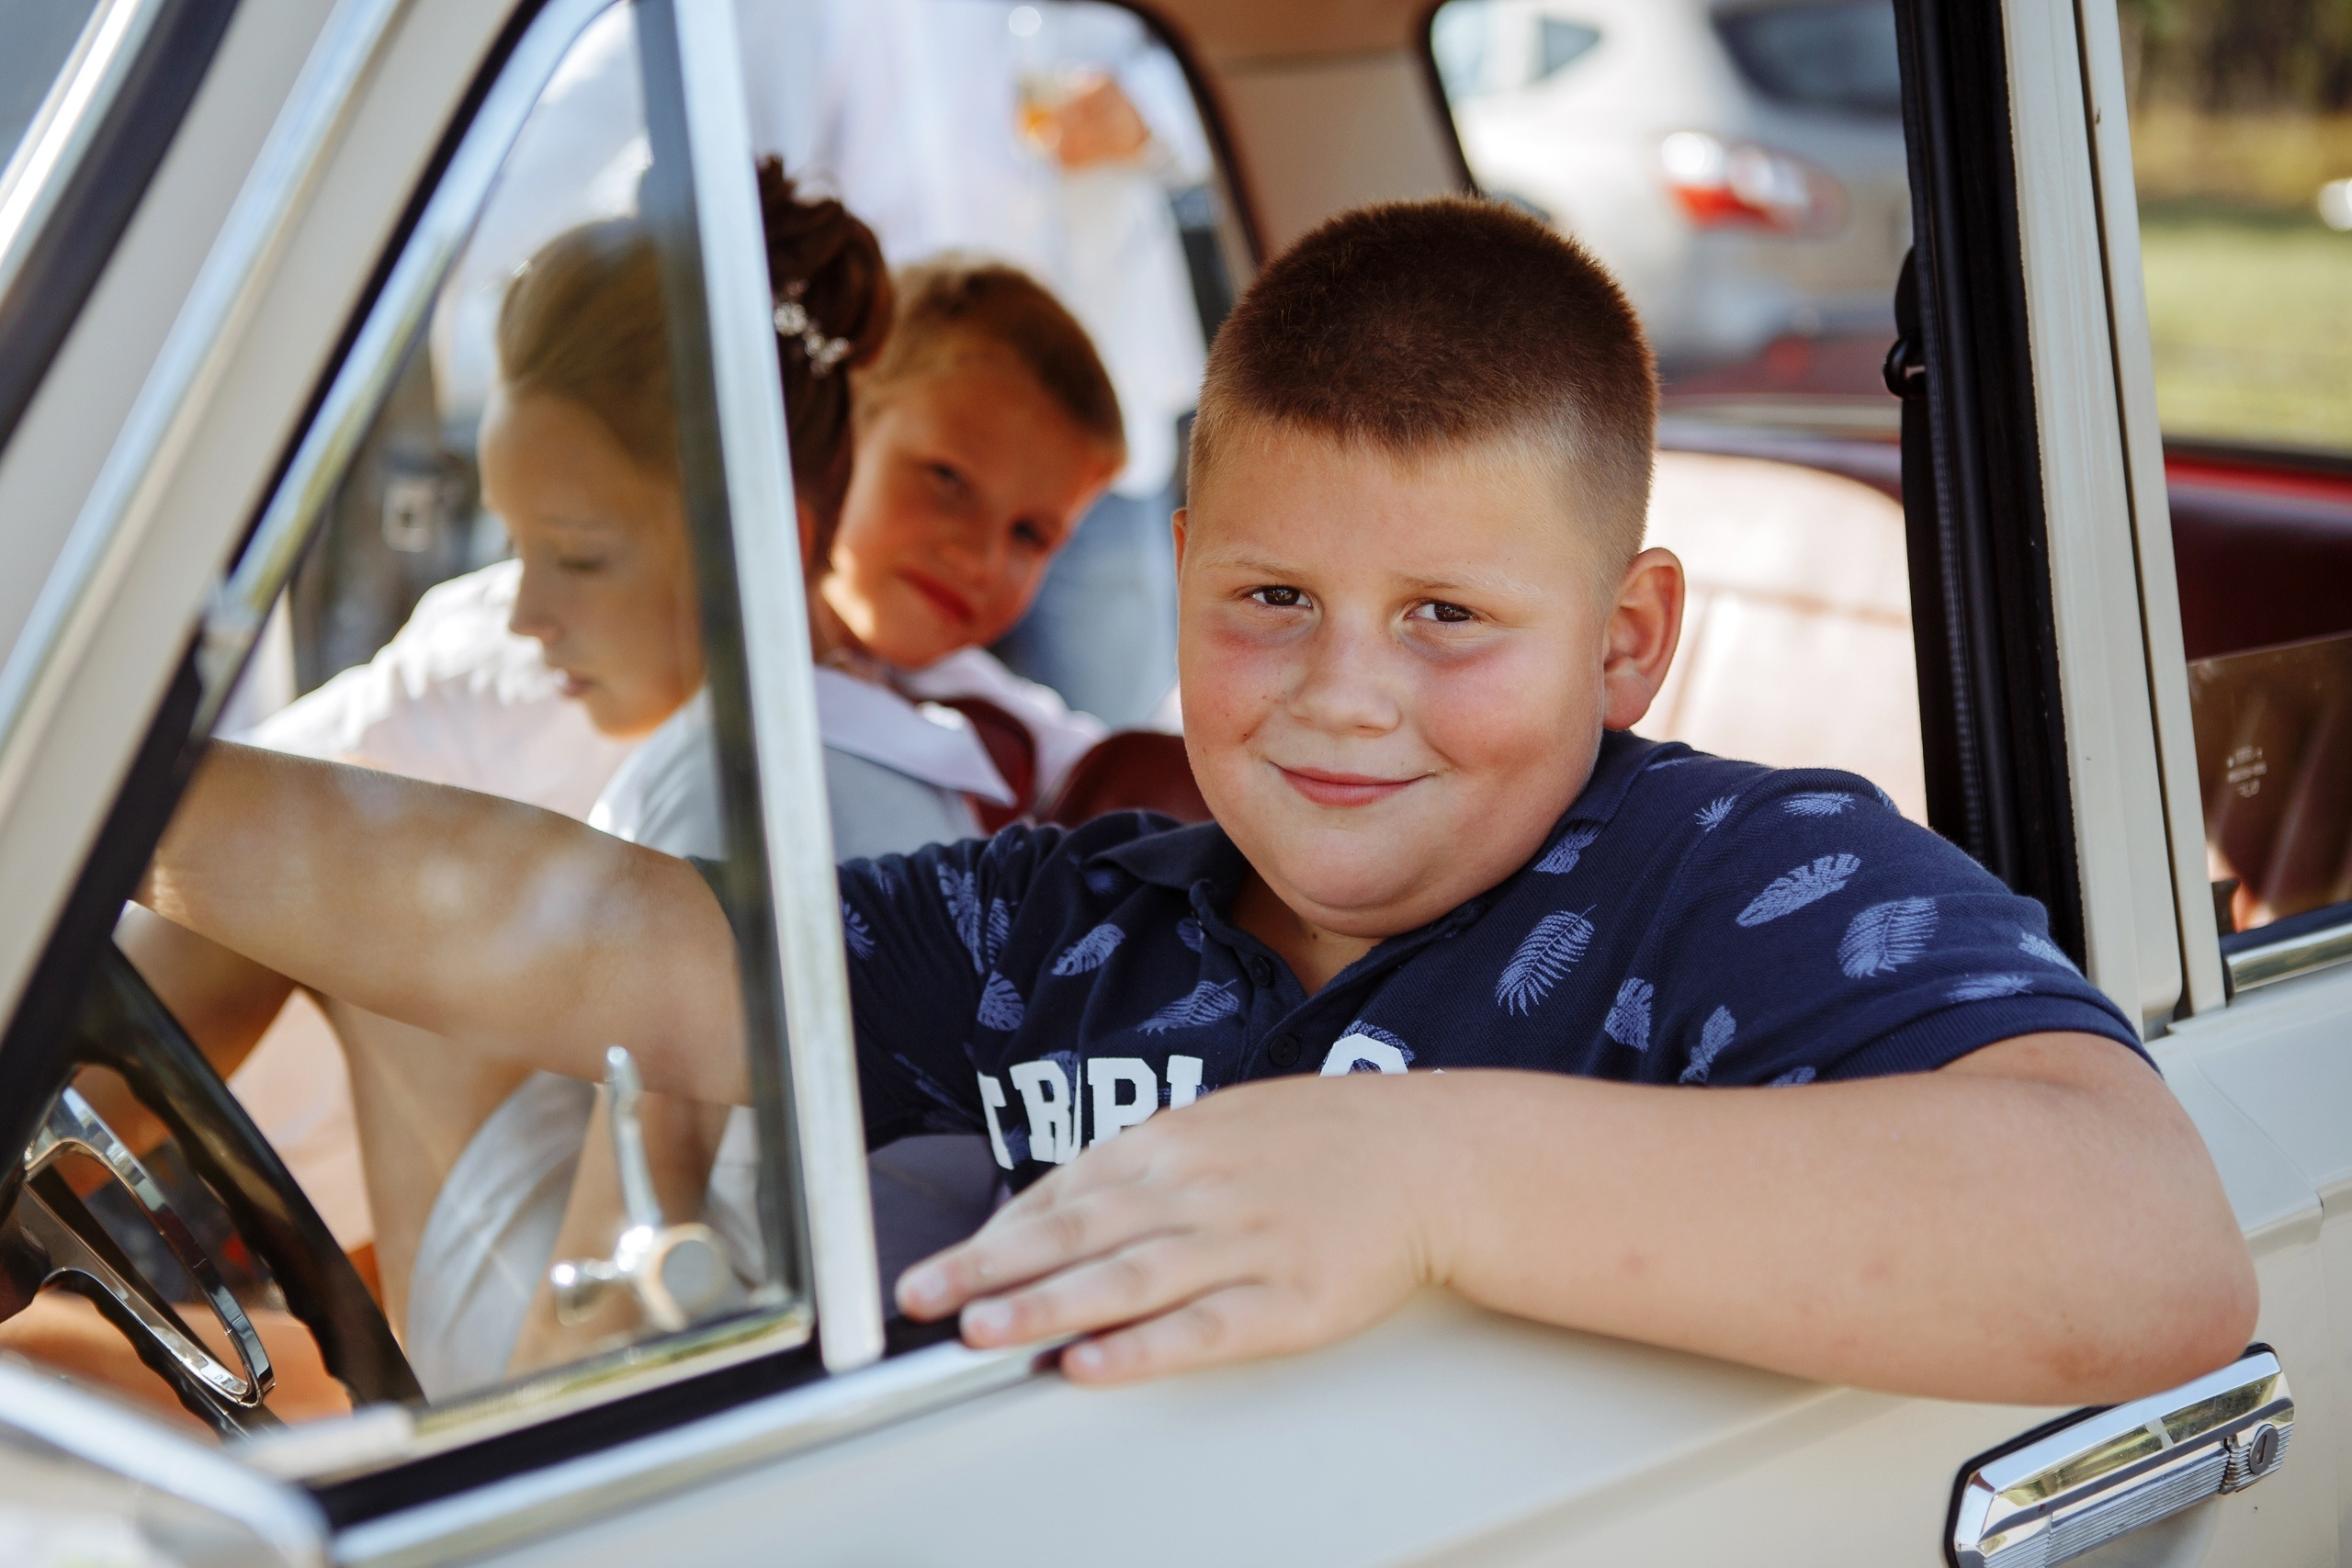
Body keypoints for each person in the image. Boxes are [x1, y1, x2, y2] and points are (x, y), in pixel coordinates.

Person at [135, 198, 2254, 1406]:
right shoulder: (1056, 923)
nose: (1339, 694)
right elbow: (620, 942)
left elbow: (2141, 1239)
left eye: (1445, 616)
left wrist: (1421, 1172)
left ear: (1623, 645)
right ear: (1175, 586)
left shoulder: (1726, 877)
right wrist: (124, 796)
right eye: (1268, 599)